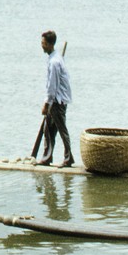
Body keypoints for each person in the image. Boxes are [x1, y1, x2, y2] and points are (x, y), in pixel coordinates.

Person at [39, 30, 74, 168]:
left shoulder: (54, 62)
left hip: (57, 101)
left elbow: (52, 86)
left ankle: (68, 158)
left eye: (43, 43)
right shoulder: (55, 58)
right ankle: (47, 157)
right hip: (57, 100)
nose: (41, 45)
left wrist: (46, 104)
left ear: (49, 44)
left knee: (61, 129)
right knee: (48, 129)